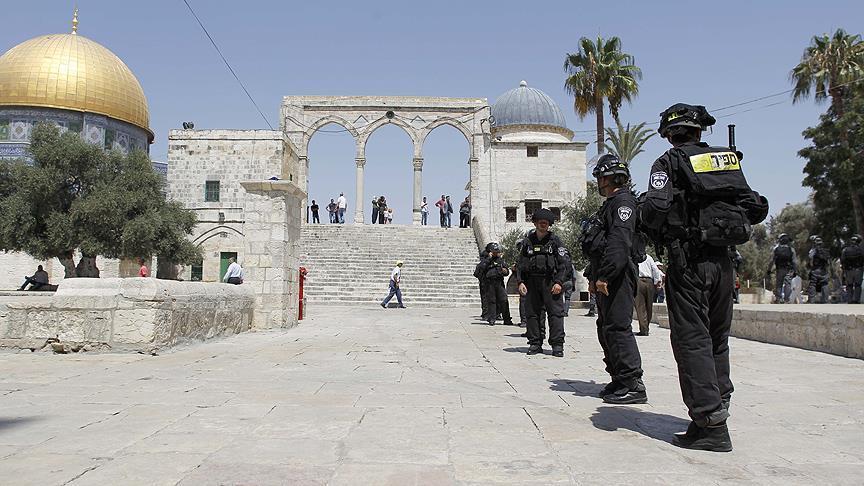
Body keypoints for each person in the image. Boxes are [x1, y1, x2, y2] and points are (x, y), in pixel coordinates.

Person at [638, 103, 768, 452]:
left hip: (688, 263)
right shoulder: (725, 160)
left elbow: (655, 209)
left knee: (692, 340)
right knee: (716, 339)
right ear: (700, 131)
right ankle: (713, 413)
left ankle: (711, 425)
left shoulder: (667, 162)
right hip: (723, 263)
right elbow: (756, 207)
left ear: (669, 133)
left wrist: (645, 216)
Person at [580, 153, 647, 405]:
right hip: (605, 272)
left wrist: (606, 276)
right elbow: (600, 244)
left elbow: (619, 243)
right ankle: (619, 377)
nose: (597, 182)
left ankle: (633, 383)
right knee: (606, 327)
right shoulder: (610, 204)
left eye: (599, 177)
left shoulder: (623, 204)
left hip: (618, 274)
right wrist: (592, 275)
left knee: (618, 327)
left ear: (608, 178)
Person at [517, 208, 569, 357]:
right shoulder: (528, 242)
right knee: (532, 314)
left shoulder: (555, 242)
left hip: (551, 282)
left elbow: (564, 264)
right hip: (532, 282)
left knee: (556, 314)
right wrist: (520, 282)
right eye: (540, 223)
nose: (543, 225)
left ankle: (557, 345)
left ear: (549, 224)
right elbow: (521, 263)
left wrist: (559, 282)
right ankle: (535, 343)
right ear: (535, 223)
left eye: (545, 223)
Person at [478, 243, 514, 326]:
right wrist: (488, 259)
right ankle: (492, 319)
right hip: (489, 283)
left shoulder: (501, 261)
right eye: (494, 251)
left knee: (504, 300)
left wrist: (505, 271)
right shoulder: (486, 260)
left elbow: (507, 272)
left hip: (499, 283)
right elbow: (481, 268)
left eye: (497, 251)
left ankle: (507, 319)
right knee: (491, 301)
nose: (495, 253)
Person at [636, 253, 663, 336]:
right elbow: (655, 269)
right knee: (649, 306)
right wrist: (657, 281)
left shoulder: (633, 256)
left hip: (639, 281)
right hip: (649, 281)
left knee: (640, 306)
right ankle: (646, 326)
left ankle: (644, 329)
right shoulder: (649, 257)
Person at [767, 233, 797, 303]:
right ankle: (787, 299)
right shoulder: (791, 250)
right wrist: (795, 271)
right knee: (788, 284)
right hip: (789, 269)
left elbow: (772, 261)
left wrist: (769, 269)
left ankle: (778, 299)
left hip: (779, 269)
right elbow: (794, 261)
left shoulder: (776, 249)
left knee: (779, 284)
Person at [841, 234, 863, 303]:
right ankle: (856, 300)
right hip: (858, 270)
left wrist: (844, 269)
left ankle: (849, 300)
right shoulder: (861, 250)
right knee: (858, 285)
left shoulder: (845, 250)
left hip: (848, 270)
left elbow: (842, 260)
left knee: (849, 285)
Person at [808, 236, 830, 304]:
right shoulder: (826, 251)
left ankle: (812, 300)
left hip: (815, 270)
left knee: (812, 284)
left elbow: (810, 257)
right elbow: (828, 262)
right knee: (825, 284)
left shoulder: (813, 250)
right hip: (824, 270)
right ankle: (825, 300)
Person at [474, 242, 494, 318]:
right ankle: (485, 313)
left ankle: (495, 313)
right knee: (485, 298)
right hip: (485, 282)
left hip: (492, 282)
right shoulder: (485, 259)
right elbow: (482, 267)